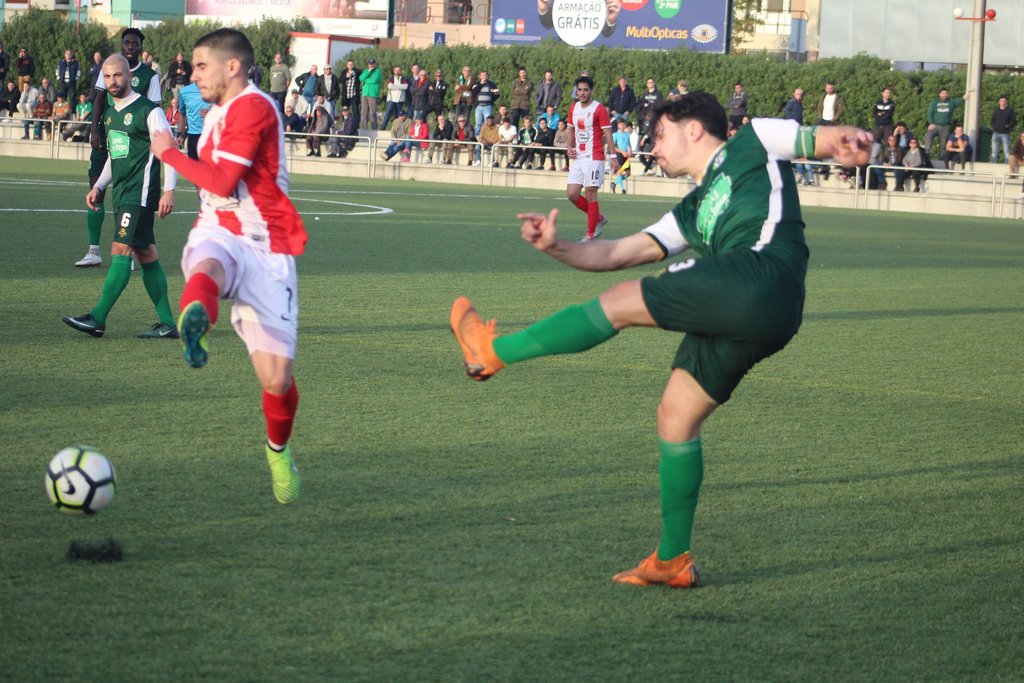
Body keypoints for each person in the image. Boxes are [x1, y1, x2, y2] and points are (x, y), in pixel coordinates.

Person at [448, 91, 872, 589]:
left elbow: (813, 138)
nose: (653, 146)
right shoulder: (691, 210)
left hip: (760, 273)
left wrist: (843, 139)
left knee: (624, 300)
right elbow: (616, 253)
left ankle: (492, 352)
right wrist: (557, 246)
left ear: (694, 129)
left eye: (660, 134)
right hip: (763, 312)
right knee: (675, 415)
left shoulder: (753, 140)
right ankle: (672, 559)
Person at [150, 28, 307, 505]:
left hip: (267, 244)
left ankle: (277, 451)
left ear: (232, 66)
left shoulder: (254, 107)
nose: (192, 74)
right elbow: (217, 193)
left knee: (276, 380)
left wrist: (169, 153)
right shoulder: (216, 110)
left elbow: (222, 179)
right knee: (209, 263)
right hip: (219, 228)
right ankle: (197, 317)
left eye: (201, 66)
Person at [62, 55, 177, 340]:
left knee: (120, 250)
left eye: (117, 75)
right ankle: (167, 324)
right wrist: (99, 186)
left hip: (140, 192)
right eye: (107, 77)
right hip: (122, 192)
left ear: (129, 76)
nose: (112, 81)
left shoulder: (149, 110)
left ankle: (97, 318)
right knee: (147, 254)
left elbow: (169, 150)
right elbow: (115, 156)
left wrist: (169, 190)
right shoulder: (110, 113)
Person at [78, 27, 160, 269]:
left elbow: (153, 109)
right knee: (96, 188)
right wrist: (94, 131)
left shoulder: (149, 76)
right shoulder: (109, 68)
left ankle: (128, 248)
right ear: (122, 45)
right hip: (107, 134)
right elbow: (98, 100)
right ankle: (93, 250)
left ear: (140, 47)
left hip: (134, 141)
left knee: (129, 195)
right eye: (127, 43)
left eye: (135, 43)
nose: (130, 47)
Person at [567, 76, 617, 241]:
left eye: (585, 90)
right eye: (580, 90)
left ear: (591, 91)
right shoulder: (573, 107)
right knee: (572, 194)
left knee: (590, 193)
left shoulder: (599, 109)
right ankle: (599, 218)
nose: (582, 93)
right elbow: (570, 129)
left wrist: (613, 156)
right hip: (579, 157)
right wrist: (569, 147)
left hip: (595, 157)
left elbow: (608, 133)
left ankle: (590, 234)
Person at [923, 88, 966, 158]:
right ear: (939, 94)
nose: (944, 95)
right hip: (935, 125)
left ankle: (941, 158)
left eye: (945, 93)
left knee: (943, 143)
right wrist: (931, 123)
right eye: (942, 93)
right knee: (929, 135)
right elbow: (930, 113)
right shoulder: (935, 102)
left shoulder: (951, 101)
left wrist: (965, 97)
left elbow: (959, 100)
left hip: (946, 126)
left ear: (947, 94)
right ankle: (926, 153)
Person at [471, 70, 499, 135]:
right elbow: (474, 92)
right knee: (478, 123)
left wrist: (491, 100)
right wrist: (481, 84)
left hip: (488, 106)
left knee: (488, 123)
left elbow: (497, 94)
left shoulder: (491, 84)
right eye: (482, 75)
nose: (484, 76)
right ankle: (476, 136)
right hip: (479, 107)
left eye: (485, 75)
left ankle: (487, 135)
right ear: (480, 76)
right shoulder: (476, 84)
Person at [990, 95, 1016, 164]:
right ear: (999, 102)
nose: (1002, 102)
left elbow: (1013, 121)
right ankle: (994, 165)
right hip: (995, 133)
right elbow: (992, 120)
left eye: (1004, 101)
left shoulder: (1010, 111)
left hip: (1005, 133)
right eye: (1001, 101)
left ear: (1006, 102)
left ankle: (1007, 165)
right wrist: (994, 126)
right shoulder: (996, 110)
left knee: (1007, 151)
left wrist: (1007, 126)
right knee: (994, 151)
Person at [358, 57, 381, 129]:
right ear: (368, 64)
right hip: (364, 94)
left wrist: (365, 80)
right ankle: (364, 128)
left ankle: (374, 128)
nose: (371, 65)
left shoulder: (378, 71)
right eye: (370, 64)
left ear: (375, 64)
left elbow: (374, 80)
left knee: (372, 112)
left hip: (373, 94)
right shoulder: (366, 71)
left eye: (373, 64)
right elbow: (360, 78)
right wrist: (368, 72)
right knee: (363, 112)